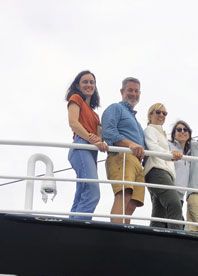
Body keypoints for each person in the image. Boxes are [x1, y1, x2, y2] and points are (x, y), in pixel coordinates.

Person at [101, 77, 146, 223]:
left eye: (136, 91)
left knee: (133, 202)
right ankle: (115, 233)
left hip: (138, 163)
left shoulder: (137, 123)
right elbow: (108, 132)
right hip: (122, 155)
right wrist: (130, 144)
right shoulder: (115, 108)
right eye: (130, 90)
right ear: (122, 91)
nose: (133, 94)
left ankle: (124, 232)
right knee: (124, 193)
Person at [65, 70, 108, 220]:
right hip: (81, 145)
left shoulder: (96, 115)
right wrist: (91, 138)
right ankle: (80, 228)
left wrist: (100, 142)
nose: (89, 85)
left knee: (82, 192)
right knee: (92, 191)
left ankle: (71, 226)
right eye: (85, 82)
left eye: (92, 82)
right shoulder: (76, 98)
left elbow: (100, 138)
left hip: (91, 151)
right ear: (78, 85)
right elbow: (73, 123)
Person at [143, 104, 184, 229]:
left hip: (165, 173)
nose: (161, 115)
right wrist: (171, 155)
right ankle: (176, 238)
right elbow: (153, 147)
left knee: (159, 213)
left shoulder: (161, 133)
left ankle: (153, 241)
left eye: (164, 113)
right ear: (150, 115)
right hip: (156, 171)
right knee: (174, 204)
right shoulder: (150, 130)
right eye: (158, 112)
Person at [169, 120, 192, 206]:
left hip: (181, 195)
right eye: (179, 130)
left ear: (189, 134)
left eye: (185, 130)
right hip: (169, 190)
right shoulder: (168, 145)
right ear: (174, 134)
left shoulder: (190, 152)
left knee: (175, 218)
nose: (182, 131)